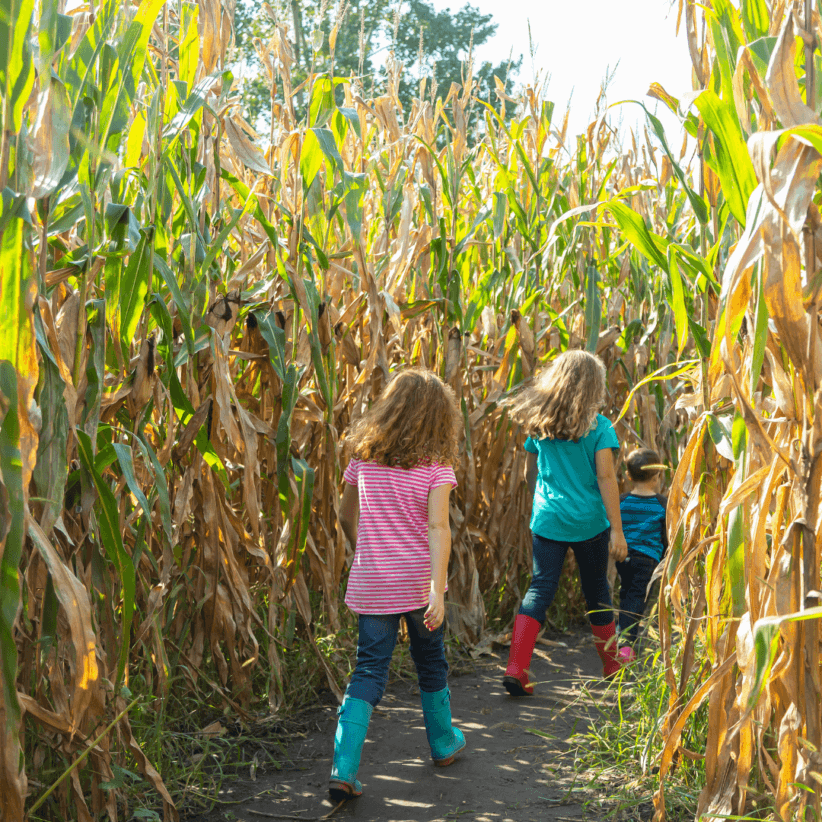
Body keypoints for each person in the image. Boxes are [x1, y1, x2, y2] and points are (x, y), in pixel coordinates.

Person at [329, 369, 465, 801]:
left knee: (367, 671)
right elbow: (439, 528)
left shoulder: (363, 459)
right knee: (431, 662)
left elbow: (344, 514)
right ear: (439, 418)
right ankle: (443, 744)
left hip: (374, 583)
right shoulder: (436, 468)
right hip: (418, 584)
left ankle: (343, 768)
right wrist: (435, 589)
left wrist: (363, 550)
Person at [503, 350, 629, 695]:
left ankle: (516, 667)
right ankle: (612, 666)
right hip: (589, 521)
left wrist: (543, 503)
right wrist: (617, 530)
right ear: (594, 387)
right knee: (597, 590)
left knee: (540, 587)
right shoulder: (599, 428)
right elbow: (606, 477)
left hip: (548, 519)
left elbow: (531, 473)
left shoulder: (539, 425)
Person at [614, 448, 668, 663]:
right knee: (637, 599)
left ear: (628, 476)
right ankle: (626, 645)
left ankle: (622, 636)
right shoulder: (661, 504)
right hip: (648, 559)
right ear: (657, 476)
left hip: (623, 558)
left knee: (626, 593)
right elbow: (666, 536)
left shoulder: (622, 500)